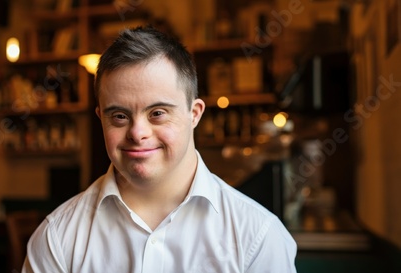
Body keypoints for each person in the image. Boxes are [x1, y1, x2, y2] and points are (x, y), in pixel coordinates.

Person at [23, 26, 297, 273]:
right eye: (119, 116)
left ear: (194, 114)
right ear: (101, 119)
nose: (137, 133)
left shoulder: (258, 236)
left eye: (157, 113)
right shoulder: (57, 238)